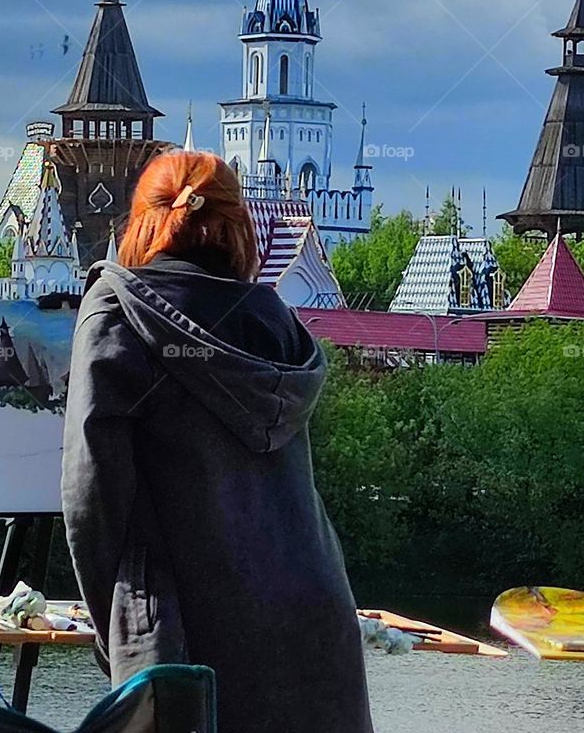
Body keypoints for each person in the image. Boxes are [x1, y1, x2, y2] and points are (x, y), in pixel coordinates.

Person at [61, 150, 374, 733]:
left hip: (184, 628)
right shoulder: (278, 319)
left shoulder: (118, 312)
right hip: (313, 619)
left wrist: (119, 629)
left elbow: (91, 497)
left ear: (143, 220)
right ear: (239, 226)